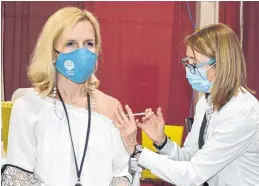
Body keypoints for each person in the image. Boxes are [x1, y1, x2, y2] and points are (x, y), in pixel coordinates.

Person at [113, 23, 259, 186]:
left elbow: (192, 175)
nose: (188, 70)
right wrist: (162, 141)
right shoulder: (206, 103)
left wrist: (136, 150)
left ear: (220, 65)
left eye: (194, 63)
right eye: (187, 61)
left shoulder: (242, 112)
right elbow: (190, 157)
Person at [1, 7, 133, 186]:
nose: (82, 52)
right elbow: (18, 176)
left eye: (89, 43)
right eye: (71, 43)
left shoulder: (111, 107)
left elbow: (121, 173)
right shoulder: (28, 106)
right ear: (53, 52)